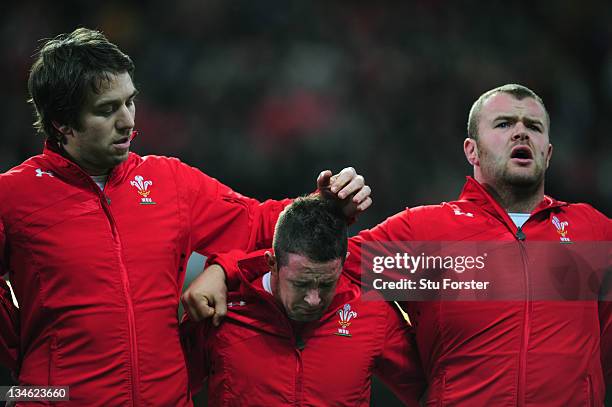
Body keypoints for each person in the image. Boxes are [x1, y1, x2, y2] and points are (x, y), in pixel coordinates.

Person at [0, 28, 372, 406]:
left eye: (130, 102)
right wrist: (35, 367)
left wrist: (327, 201)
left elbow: (261, 224)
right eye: (107, 110)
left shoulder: (169, 182)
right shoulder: (13, 196)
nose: (127, 121)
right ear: (62, 123)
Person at [197, 84, 611, 406]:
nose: (521, 130)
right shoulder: (425, 235)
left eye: (533, 126)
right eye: (503, 124)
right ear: (472, 149)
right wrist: (225, 271)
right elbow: (318, 260)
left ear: (548, 152)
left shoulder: (594, 232)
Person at [181, 196, 425, 406]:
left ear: (344, 262)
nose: (313, 299)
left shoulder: (372, 314)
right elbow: (165, 391)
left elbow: (428, 393)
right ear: (271, 263)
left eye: (327, 284)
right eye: (301, 284)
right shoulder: (221, 313)